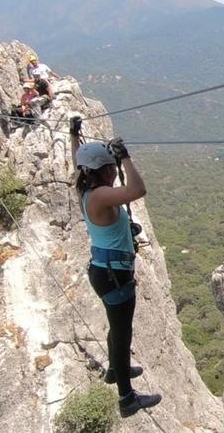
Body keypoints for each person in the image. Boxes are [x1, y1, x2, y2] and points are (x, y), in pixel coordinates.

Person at [69, 116, 161, 418]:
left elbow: (78, 162)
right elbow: (138, 189)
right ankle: (126, 399)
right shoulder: (101, 195)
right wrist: (126, 158)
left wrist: (75, 135)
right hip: (114, 274)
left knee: (117, 327)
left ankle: (113, 369)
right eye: (110, 167)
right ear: (105, 170)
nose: (113, 171)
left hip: (104, 271)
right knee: (122, 335)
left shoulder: (86, 190)